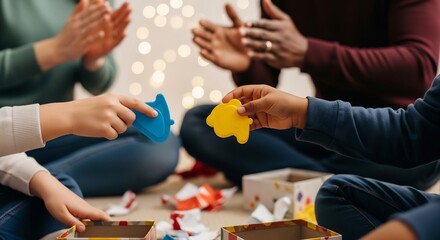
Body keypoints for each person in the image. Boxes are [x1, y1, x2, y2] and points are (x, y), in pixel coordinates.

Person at [181, 0, 440, 189]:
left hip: (388, 132)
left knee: (427, 156)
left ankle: (300, 177)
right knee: (199, 122)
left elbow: (418, 68)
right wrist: (249, 63)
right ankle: (326, 182)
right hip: (321, 129)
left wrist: (308, 52)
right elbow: (263, 91)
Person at [223, 76, 440, 240]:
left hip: (400, 165)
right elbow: (412, 131)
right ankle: (313, 173)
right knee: (334, 192)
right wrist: (302, 113)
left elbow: (414, 70)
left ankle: (307, 173)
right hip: (341, 142)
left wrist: (307, 51)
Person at [0, 0, 180, 196]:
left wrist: (93, 59)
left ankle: (36, 183)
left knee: (160, 142)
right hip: (7, 136)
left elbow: (99, 84)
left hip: (57, 133)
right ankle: (36, 184)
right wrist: (53, 50)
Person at [0, 93, 158, 239]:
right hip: (29, 131)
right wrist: (70, 115)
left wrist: (40, 180)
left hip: (18, 139)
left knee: (62, 190)